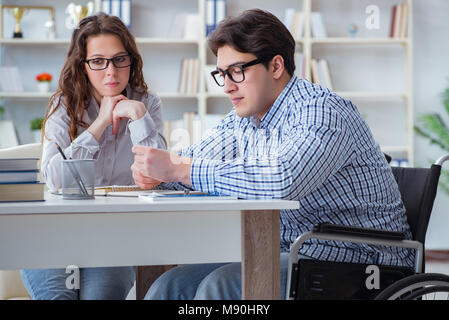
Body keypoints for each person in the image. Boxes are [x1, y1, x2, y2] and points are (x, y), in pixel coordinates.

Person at [131, 9, 414, 300]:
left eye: (237, 71)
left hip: (360, 259)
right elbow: (188, 161)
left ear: (276, 66)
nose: (227, 86)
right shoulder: (244, 118)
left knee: (220, 286)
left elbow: (282, 181)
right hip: (290, 249)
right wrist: (156, 175)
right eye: (221, 74)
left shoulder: (322, 111)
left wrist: (179, 170)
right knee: (170, 286)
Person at [20, 13, 166, 300]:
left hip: (113, 233)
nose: (110, 72)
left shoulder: (147, 103)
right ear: (83, 66)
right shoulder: (63, 105)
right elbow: (56, 180)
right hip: (53, 232)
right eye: (98, 61)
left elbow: (156, 176)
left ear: (131, 61)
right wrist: (100, 123)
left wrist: (138, 117)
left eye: (119, 59)